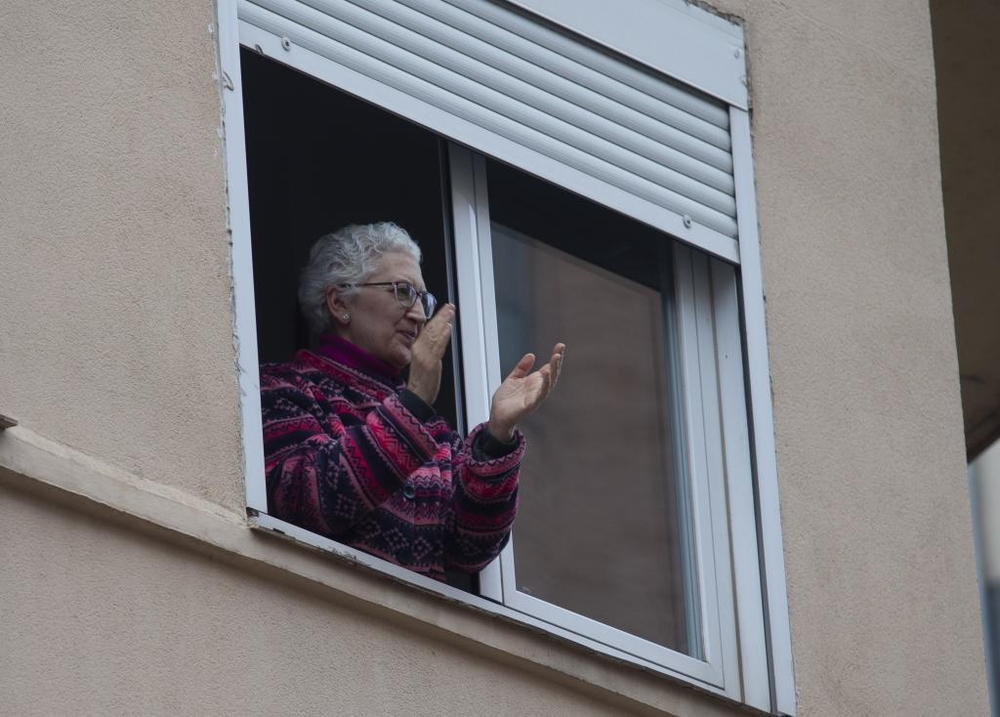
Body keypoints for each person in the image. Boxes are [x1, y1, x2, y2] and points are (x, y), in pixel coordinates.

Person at [259, 222, 564, 582]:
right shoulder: (285, 388)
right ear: (340, 301)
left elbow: (468, 551)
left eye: (423, 299)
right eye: (402, 292)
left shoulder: (435, 434)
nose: (419, 315)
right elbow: (307, 501)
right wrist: (413, 403)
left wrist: (497, 436)